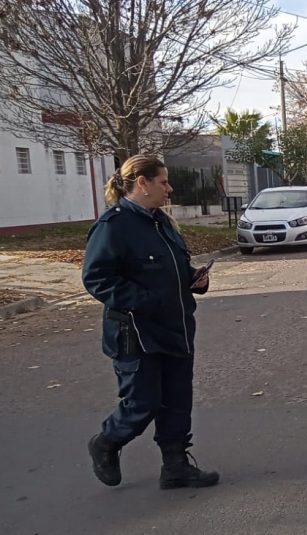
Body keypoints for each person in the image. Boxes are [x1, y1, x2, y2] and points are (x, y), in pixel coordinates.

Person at [82, 154, 220, 489]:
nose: (169, 188)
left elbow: (172, 268)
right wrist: (146, 302)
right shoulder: (114, 226)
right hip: (136, 333)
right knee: (142, 404)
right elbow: (97, 278)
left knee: (177, 399)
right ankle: (106, 442)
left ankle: (175, 466)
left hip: (176, 327)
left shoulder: (162, 223)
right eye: (163, 182)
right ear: (141, 183)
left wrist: (193, 279)